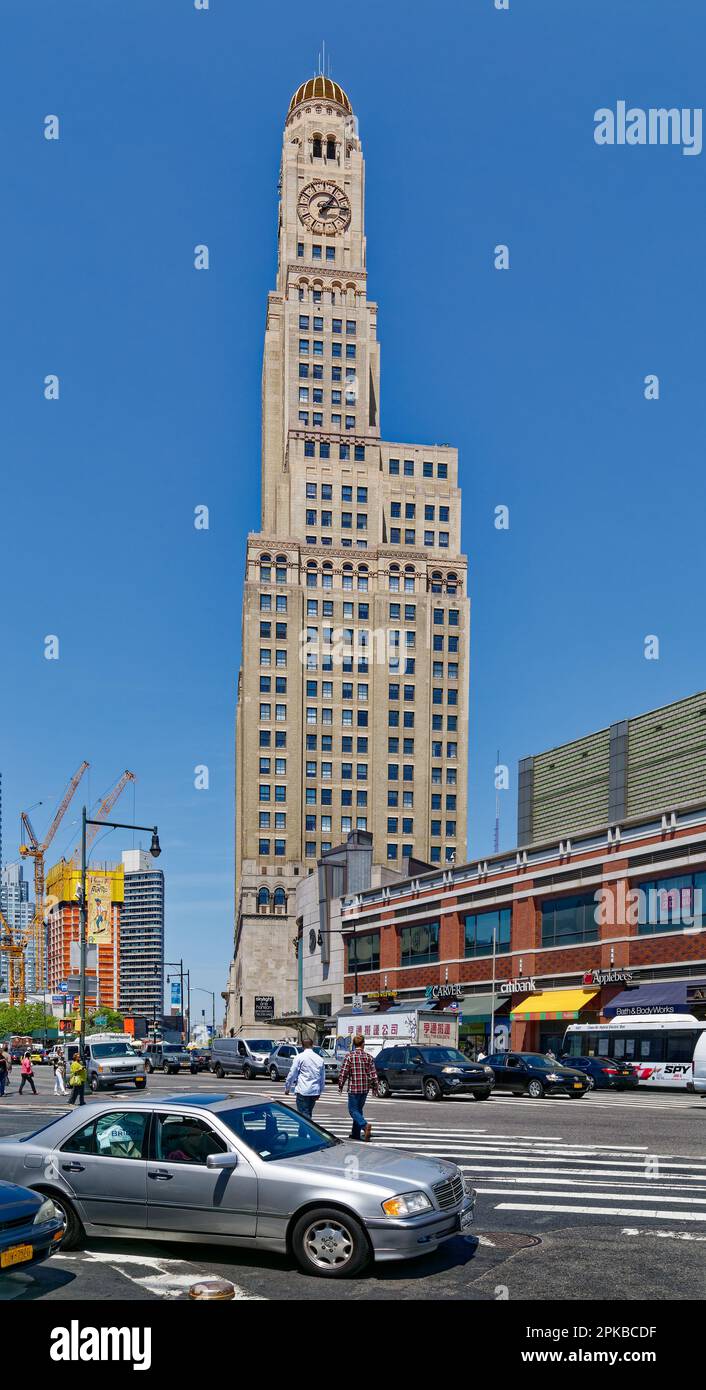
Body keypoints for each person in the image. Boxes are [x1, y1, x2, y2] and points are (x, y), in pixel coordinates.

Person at [338, 1034, 378, 1141]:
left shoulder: (349, 1056)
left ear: (354, 1045)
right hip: (365, 1088)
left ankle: (364, 1126)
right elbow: (373, 1074)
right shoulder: (369, 1057)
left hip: (354, 1088)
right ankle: (355, 1133)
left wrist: (340, 1086)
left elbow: (344, 1073)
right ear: (363, 1044)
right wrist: (375, 1088)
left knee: (353, 1111)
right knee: (358, 1110)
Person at [284, 1038, 326, 1119]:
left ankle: (308, 1131)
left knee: (304, 1116)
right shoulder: (319, 1059)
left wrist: (287, 1087)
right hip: (314, 1090)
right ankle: (305, 1131)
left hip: (303, 1090)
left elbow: (292, 1073)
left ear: (302, 1046)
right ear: (312, 1045)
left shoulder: (299, 1057)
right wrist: (320, 1091)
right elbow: (322, 1077)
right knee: (308, 1113)